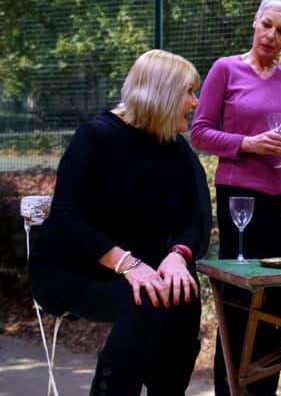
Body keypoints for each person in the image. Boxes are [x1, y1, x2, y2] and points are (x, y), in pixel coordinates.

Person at [28, 49, 212, 396]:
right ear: (163, 94)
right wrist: (127, 264)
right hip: (76, 268)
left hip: (143, 266)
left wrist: (178, 255)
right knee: (144, 298)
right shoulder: (95, 137)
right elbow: (67, 218)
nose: (196, 101)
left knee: (183, 294)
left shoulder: (176, 150)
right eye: (189, 92)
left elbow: (198, 215)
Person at [190, 0, 281, 396]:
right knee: (239, 304)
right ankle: (231, 390)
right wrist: (246, 144)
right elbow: (198, 132)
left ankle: (264, 391)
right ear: (255, 22)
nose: (271, 35)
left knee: (278, 307)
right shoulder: (225, 70)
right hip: (242, 197)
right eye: (266, 25)